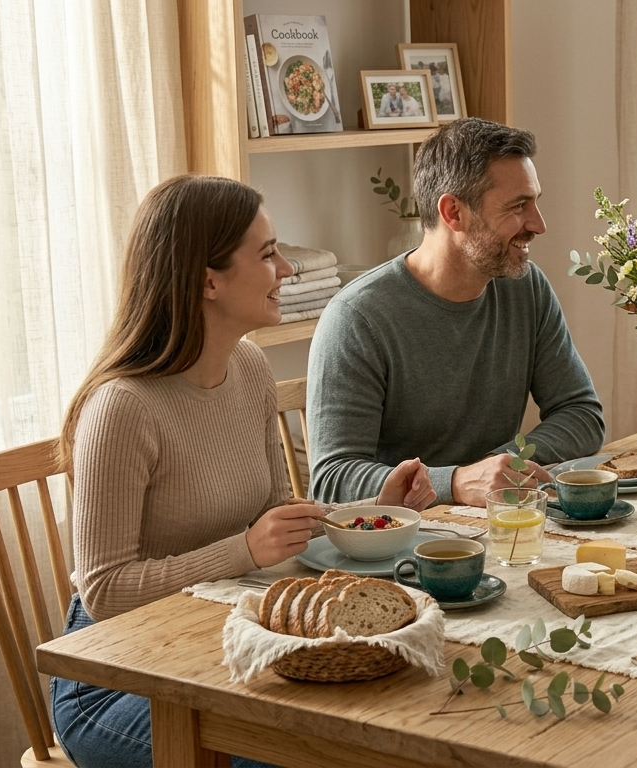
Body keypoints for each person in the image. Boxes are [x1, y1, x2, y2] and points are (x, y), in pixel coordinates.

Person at [52, 175, 436, 768]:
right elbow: (103, 591)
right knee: (310, 753)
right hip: (113, 677)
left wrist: (364, 515)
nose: (286, 269)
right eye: (267, 254)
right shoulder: (121, 409)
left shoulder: (250, 367)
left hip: (210, 638)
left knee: (388, 713)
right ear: (208, 281)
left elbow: (273, 512)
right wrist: (243, 551)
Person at [308, 118, 605, 508]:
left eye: (535, 202)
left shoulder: (525, 287)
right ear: (453, 212)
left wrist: (501, 466)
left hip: (496, 520)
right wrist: (456, 481)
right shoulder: (357, 318)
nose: (539, 224)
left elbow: (581, 415)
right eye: (519, 206)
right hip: (401, 536)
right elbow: (332, 480)